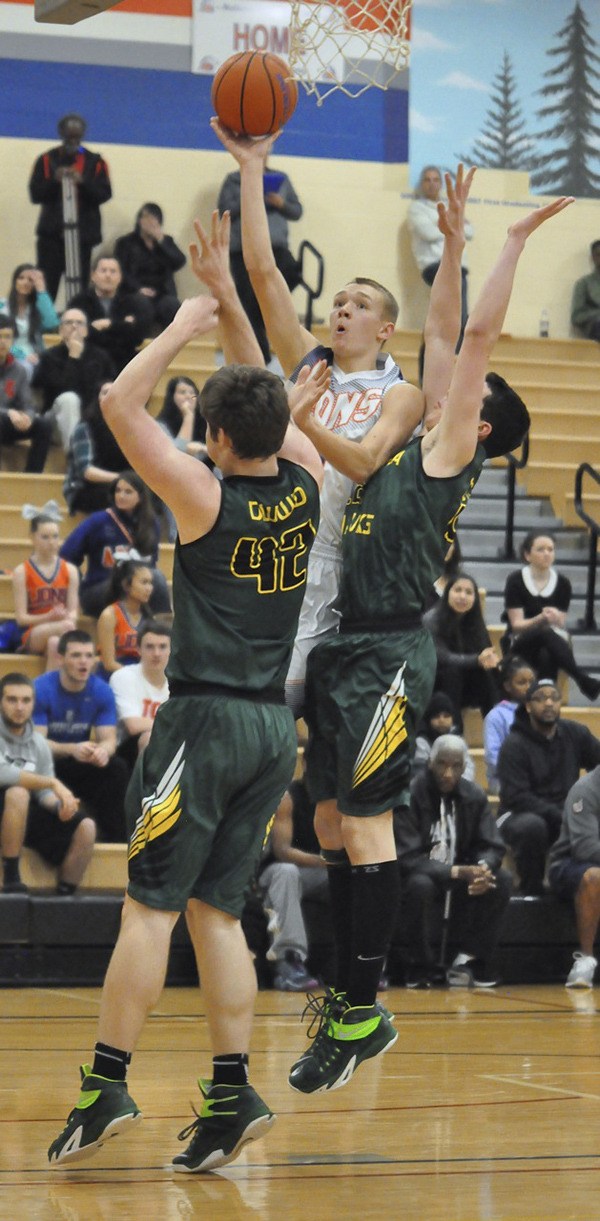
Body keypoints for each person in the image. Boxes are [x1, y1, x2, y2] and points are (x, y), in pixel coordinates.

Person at [47, 212, 326, 1171]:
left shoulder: (202, 493)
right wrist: (234, 316)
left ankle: (106, 1081)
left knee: (150, 909)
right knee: (216, 913)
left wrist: (188, 317)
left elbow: (120, 399)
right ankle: (229, 1088)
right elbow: (273, 407)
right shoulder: (309, 479)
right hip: (268, 727)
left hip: (202, 717)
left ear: (211, 434)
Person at [285, 171, 568, 1093]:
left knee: (364, 827)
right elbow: (440, 334)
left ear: (480, 422)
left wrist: (510, 241)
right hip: (340, 646)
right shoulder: (412, 439)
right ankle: (347, 993)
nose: (448, 379)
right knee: (326, 816)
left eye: (468, 388)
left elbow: (471, 336)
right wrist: (447, 246)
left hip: (386, 653)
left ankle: (362, 1010)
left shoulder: (450, 453)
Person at [213, 120, 425, 716]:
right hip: (274, 539)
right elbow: (263, 275)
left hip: (337, 559)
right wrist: (252, 169)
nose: (342, 311)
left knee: (280, 709)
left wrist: (301, 424)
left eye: (358, 306)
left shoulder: (400, 392)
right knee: (243, 701)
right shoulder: (310, 364)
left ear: (385, 328)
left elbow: (361, 464)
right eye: (337, 303)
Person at [396, 736, 511, 989]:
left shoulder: (474, 795)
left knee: (500, 880)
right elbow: (406, 856)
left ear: (464, 766)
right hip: (421, 873)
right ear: (429, 763)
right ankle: (420, 965)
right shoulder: (410, 794)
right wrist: (455, 871)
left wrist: (482, 867)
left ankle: (471, 960)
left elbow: (492, 845)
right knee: (419, 885)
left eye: (455, 766)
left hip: (462, 872)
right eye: (441, 764)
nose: (448, 774)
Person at [497, 677, 600, 895]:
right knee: (533, 827)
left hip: (563, 812)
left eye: (554, 698)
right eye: (541, 698)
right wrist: (561, 814)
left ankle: (581, 890)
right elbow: (516, 796)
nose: (549, 703)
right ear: (528, 705)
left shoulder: (574, 733)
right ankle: (531, 891)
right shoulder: (514, 744)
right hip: (517, 813)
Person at [33, 630, 130, 843]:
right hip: (49, 764)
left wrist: (103, 751)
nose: (83, 662)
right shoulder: (40, 688)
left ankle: (116, 844)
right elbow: (36, 744)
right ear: (60, 658)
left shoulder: (101, 691)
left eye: (88, 655)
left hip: (80, 762)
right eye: (76, 655)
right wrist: (72, 749)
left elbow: (109, 738)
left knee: (117, 768)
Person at [0, 671, 92, 895]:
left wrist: (60, 805)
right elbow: (4, 773)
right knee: (18, 793)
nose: (19, 707)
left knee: (86, 826)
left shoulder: (38, 743)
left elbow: (43, 795)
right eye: (12, 700)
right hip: (8, 804)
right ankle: (11, 876)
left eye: (26, 700)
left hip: (21, 814)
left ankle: (64, 895)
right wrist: (52, 783)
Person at [218, 160, 303, 363]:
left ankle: (267, 312)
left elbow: (297, 210)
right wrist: (251, 197)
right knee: (248, 300)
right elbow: (224, 211)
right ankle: (260, 357)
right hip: (242, 250)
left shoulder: (280, 178)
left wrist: (280, 203)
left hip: (276, 248)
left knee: (292, 273)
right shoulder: (233, 180)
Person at [501, 530, 600, 701]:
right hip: (520, 641)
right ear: (527, 554)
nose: (547, 554)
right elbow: (516, 624)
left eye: (550, 549)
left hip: (552, 643)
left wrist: (554, 617)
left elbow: (561, 623)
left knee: (546, 654)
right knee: (544, 632)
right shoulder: (515, 580)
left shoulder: (563, 583)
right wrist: (540, 618)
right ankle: (580, 677)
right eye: (540, 549)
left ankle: (544, 701)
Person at [60, 469, 171, 616]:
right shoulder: (98, 521)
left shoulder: (151, 524)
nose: (121, 496)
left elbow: (151, 564)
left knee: (156, 578)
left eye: (128, 492)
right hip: (99, 589)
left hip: (136, 587)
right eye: (118, 491)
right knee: (130, 583)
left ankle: (163, 630)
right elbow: (66, 556)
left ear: (141, 497)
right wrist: (77, 585)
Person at [257, 760, 327, 992]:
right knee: (287, 873)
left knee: (358, 875)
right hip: (277, 871)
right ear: (306, 764)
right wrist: (327, 861)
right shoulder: (288, 797)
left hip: (320, 872)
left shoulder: (340, 799)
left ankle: (362, 962)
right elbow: (282, 851)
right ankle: (288, 962)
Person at [28, 113, 112, 302]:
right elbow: (35, 194)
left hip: (82, 237)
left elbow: (104, 194)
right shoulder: (46, 160)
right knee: (45, 286)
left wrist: (83, 181)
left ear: (83, 135)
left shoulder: (96, 162)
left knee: (79, 287)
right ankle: (42, 325)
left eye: (76, 137)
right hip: (51, 238)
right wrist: (53, 181)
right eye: (68, 136)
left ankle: (77, 322)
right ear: (61, 133)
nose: (72, 141)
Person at [407, 165, 474, 381]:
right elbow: (427, 233)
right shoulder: (416, 208)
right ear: (421, 183)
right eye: (427, 179)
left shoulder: (448, 205)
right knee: (443, 323)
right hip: (434, 266)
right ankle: (427, 377)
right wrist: (452, 225)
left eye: (436, 179)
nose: (432, 183)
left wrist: (447, 225)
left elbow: (470, 231)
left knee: (459, 320)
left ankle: (452, 376)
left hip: (457, 267)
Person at [423, 572, 500, 730]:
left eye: (468, 592)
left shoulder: (476, 621)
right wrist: (476, 660)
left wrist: (491, 662)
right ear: (448, 593)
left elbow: (485, 653)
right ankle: (455, 731)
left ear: (475, 598)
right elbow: (440, 657)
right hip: (436, 683)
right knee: (452, 672)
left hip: (466, 682)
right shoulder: (432, 619)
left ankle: (497, 727)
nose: (462, 596)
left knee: (488, 674)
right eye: (457, 590)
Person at [32, 307, 115, 451]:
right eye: (69, 322)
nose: (74, 326)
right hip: (55, 423)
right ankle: (76, 458)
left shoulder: (101, 357)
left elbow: (110, 388)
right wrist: (73, 357)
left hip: (91, 421)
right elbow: (61, 390)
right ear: (60, 330)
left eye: (79, 323)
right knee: (69, 399)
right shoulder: (49, 357)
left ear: (87, 330)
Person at [548, 766, 600, 988]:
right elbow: (585, 848)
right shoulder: (586, 789)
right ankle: (585, 960)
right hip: (570, 863)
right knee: (594, 877)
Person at [11, 512, 79, 671]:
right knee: (67, 628)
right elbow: (21, 619)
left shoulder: (70, 570)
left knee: (55, 643)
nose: (52, 542)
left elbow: (73, 612)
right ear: (32, 537)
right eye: (45, 537)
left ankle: (46, 693)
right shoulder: (22, 571)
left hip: (62, 627)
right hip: (34, 632)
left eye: (55, 536)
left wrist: (65, 616)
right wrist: (48, 617)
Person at [68, 256, 150, 374]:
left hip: (123, 362)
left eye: (113, 271)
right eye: (103, 270)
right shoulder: (79, 302)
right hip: (88, 361)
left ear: (120, 277)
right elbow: (75, 333)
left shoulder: (133, 302)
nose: (108, 275)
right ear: (93, 275)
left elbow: (137, 337)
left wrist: (108, 324)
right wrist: (122, 325)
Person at [114, 203, 186, 333]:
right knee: (142, 306)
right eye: (146, 218)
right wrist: (138, 288)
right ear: (139, 220)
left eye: (154, 218)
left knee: (172, 305)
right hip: (134, 292)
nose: (150, 222)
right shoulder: (125, 243)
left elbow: (180, 261)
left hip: (162, 293)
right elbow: (120, 271)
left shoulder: (165, 241)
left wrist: (161, 240)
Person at [110, 620, 171, 769]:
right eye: (150, 647)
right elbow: (134, 726)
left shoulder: (179, 682)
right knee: (150, 737)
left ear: (171, 650)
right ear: (138, 649)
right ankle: (144, 792)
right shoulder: (123, 676)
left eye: (162, 647)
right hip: (128, 749)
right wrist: (176, 726)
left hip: (170, 739)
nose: (156, 653)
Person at [63, 382, 129, 515]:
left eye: (115, 393)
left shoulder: (128, 427)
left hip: (119, 483)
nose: (110, 396)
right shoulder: (84, 428)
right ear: (97, 398)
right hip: (84, 488)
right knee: (114, 495)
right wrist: (123, 478)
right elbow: (86, 471)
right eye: (105, 392)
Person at [155, 376, 208, 542]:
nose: (188, 396)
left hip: (204, 479)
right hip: (173, 481)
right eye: (182, 392)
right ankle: (177, 537)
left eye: (192, 393)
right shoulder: (160, 425)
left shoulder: (208, 423)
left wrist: (203, 449)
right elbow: (175, 457)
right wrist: (188, 417)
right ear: (171, 397)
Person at [0, 314, 53, 472]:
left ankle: (32, 476)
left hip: (8, 425)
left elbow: (27, 403)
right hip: (4, 418)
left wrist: (28, 417)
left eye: (7, 337)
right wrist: (8, 412)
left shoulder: (19, 370)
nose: (3, 341)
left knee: (44, 425)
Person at [483, 655, 535, 794]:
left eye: (532, 681)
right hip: (505, 780)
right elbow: (492, 756)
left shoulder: (540, 712)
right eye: (521, 682)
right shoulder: (496, 715)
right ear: (507, 686)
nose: (529, 687)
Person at [96, 560, 153, 680]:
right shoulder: (109, 616)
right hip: (112, 676)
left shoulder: (149, 617)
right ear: (126, 585)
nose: (149, 588)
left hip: (140, 673)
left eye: (150, 583)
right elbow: (109, 664)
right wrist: (137, 678)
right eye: (144, 582)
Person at [0, 264, 59, 378]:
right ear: (14, 281)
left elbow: (52, 323)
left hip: (34, 355)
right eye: (21, 278)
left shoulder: (36, 307)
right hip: (7, 353)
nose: (25, 282)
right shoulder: (2, 305)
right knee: (23, 368)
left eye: (30, 280)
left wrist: (41, 291)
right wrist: (21, 356)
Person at [412, 691, 475, 782]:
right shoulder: (422, 741)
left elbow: (468, 766)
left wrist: (459, 784)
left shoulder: (459, 739)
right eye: (437, 716)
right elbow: (420, 771)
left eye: (446, 716)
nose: (441, 720)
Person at [571, 239, 600, 341]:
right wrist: (597, 314)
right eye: (598, 255)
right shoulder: (584, 284)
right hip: (595, 327)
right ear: (592, 257)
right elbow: (576, 316)